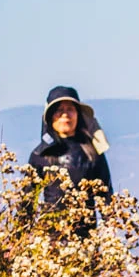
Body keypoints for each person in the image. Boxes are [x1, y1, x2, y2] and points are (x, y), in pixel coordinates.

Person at [27, 86, 113, 234]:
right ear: (50, 116)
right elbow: (27, 200)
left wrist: (112, 232)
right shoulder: (40, 155)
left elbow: (106, 196)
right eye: (59, 110)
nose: (65, 115)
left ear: (78, 115)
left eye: (70, 109)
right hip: (51, 239)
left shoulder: (92, 152)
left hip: (86, 238)